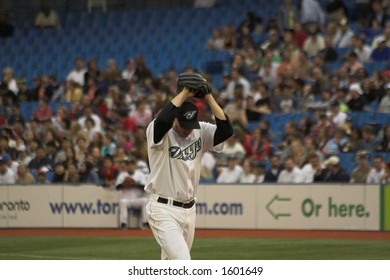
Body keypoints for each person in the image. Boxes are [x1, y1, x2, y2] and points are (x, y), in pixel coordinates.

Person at [144, 76, 233, 260]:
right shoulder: (159, 131)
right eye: (184, 125)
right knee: (183, 262)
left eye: (191, 126)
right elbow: (162, 121)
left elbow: (226, 130)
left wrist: (209, 97)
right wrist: (184, 93)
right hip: (163, 208)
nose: (188, 130)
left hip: (189, 210)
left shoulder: (199, 130)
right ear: (174, 119)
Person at [115, 157, 148, 229]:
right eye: (128, 165)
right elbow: (117, 187)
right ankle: (123, 223)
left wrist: (136, 185)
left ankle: (145, 222)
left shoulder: (140, 175)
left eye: (131, 164)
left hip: (138, 199)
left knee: (145, 200)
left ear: (134, 165)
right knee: (122, 202)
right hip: (127, 200)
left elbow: (145, 188)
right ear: (126, 166)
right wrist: (124, 185)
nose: (130, 166)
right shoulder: (122, 175)